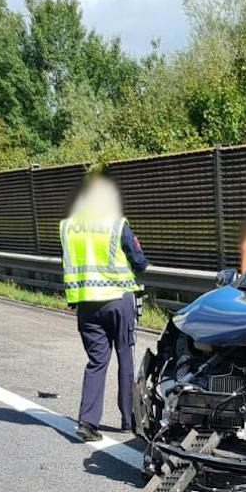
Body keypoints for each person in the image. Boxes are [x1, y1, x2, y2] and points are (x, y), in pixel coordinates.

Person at [59, 176, 146, 439]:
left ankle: (87, 422)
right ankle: (129, 421)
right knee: (125, 358)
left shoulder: (67, 226)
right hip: (119, 301)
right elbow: (139, 262)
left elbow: (68, 264)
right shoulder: (117, 224)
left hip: (86, 304)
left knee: (97, 362)